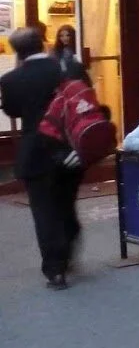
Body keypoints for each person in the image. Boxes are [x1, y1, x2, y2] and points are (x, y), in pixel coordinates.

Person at [1, 26, 78, 289]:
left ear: (17, 51)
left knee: (44, 210)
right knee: (66, 203)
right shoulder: (67, 68)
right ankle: (68, 248)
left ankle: (55, 269)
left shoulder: (11, 79)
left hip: (35, 150)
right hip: (69, 145)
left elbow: (12, 110)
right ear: (42, 42)